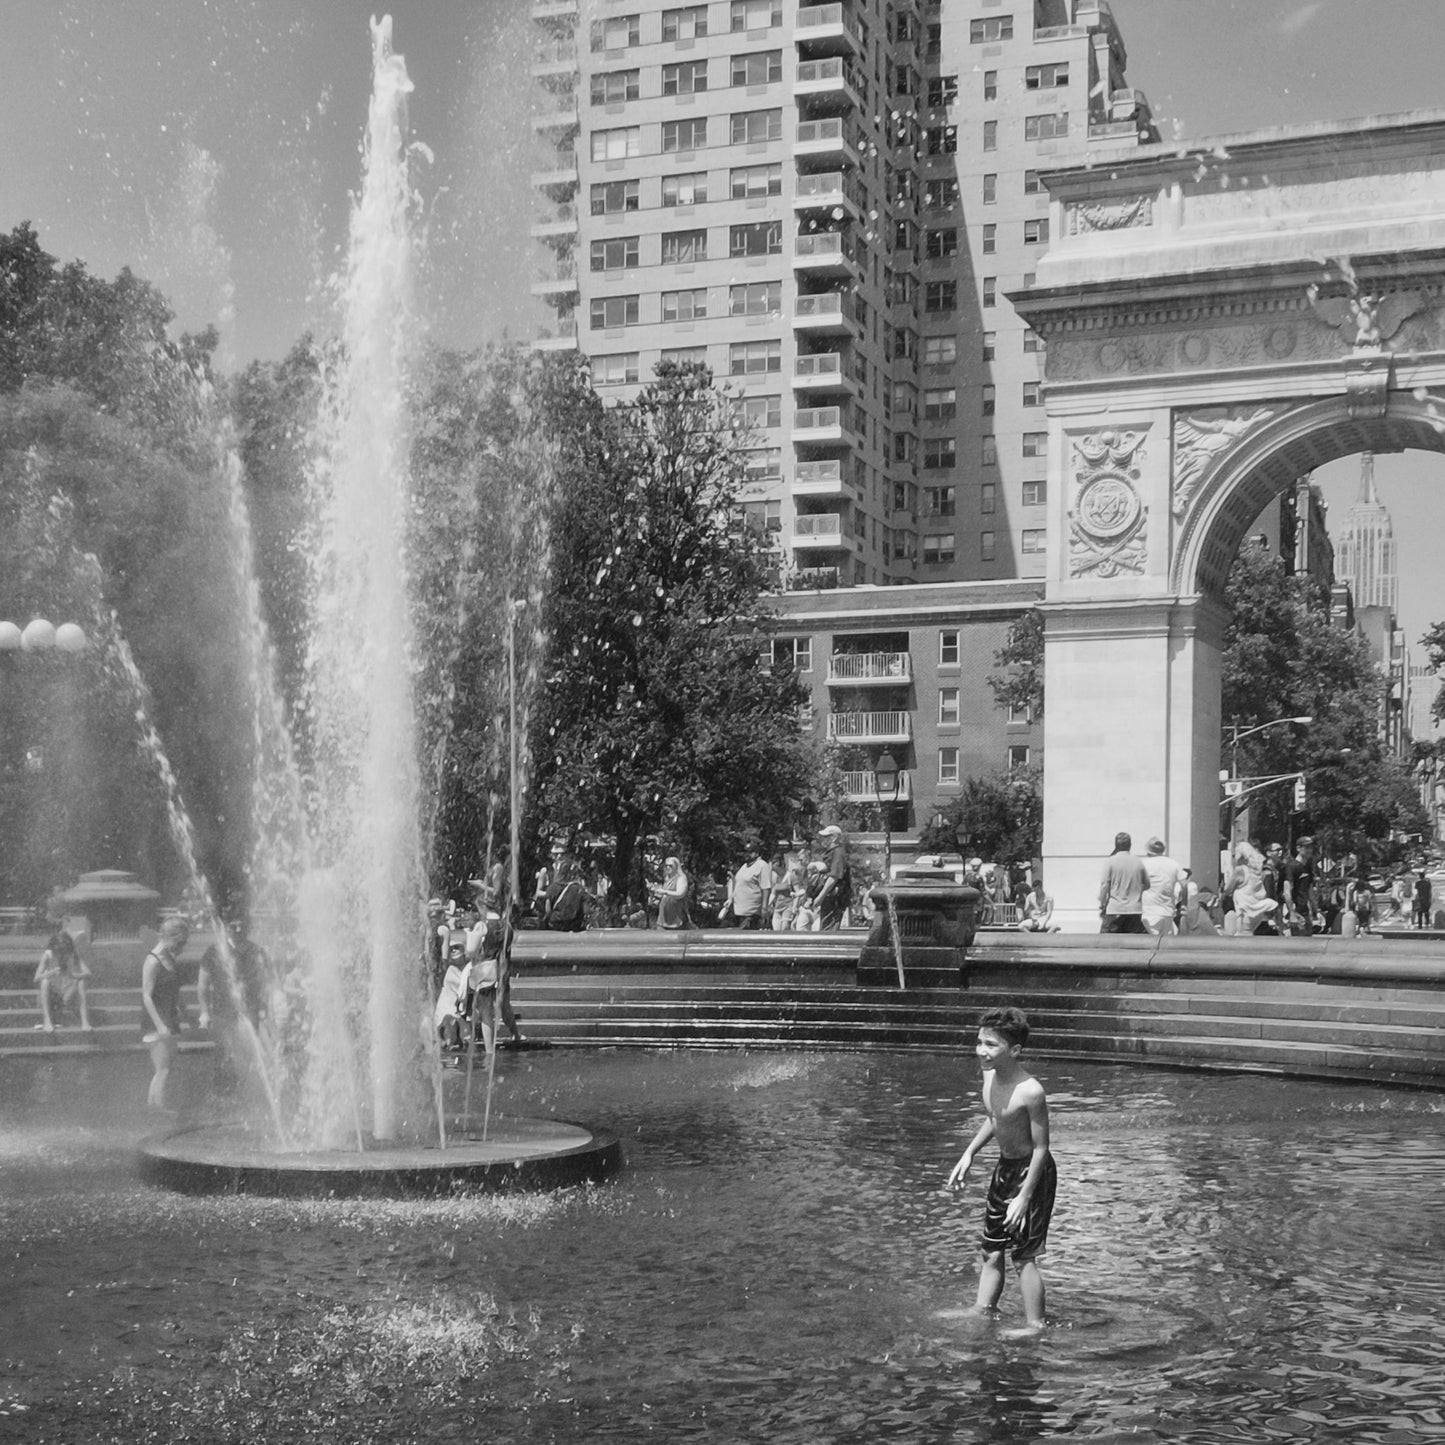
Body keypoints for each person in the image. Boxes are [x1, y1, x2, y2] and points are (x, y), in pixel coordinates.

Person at [946, 1007, 1056, 1331]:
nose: (982, 1050)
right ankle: (982, 1308)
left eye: (992, 1045)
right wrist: (969, 1153)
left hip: (1033, 1173)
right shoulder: (989, 1076)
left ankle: (1035, 1325)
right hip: (1004, 1168)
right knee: (991, 1250)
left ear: (1015, 1050)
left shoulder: (1031, 1091)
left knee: (1023, 1256)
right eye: (980, 1042)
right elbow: (996, 1118)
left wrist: (1024, 1196)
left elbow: (1041, 1148)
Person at [140, 917, 190, 1109]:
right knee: (163, 1069)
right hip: (156, 1022)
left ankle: (154, 1108)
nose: (182, 947)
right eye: (180, 942)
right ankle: (158, 1109)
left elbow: (175, 992)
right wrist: (160, 1025)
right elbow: (146, 996)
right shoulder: (152, 961)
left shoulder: (170, 959)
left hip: (170, 1019)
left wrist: (186, 1013)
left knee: (165, 1069)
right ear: (170, 938)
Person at [34, 929, 92, 1033]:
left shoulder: (73, 954)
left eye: (64, 951)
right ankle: (47, 1021)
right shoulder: (47, 955)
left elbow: (88, 973)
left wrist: (75, 975)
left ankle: (85, 1021)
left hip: (67, 992)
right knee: (44, 982)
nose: (61, 954)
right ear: (54, 948)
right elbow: (36, 978)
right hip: (53, 994)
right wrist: (50, 973)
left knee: (81, 982)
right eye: (59, 951)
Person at [1098, 832, 1148, 934]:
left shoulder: (1110, 861)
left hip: (1115, 909)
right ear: (1130, 845)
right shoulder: (1138, 861)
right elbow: (1147, 885)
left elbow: (1104, 885)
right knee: (1132, 944)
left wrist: (1102, 902)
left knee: (1106, 944)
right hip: (1135, 910)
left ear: (1116, 845)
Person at [1227, 842, 1279, 936]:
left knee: (1242, 938)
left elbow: (1228, 889)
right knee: (1250, 934)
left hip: (1244, 912)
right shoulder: (1256, 871)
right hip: (1257, 911)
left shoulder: (1240, 870)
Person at [1141, 837, 1183, 936]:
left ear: (1148, 851)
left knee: (1151, 945)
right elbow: (1184, 885)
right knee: (1165, 946)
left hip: (1149, 911)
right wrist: (1183, 904)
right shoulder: (1174, 864)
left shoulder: (1144, 864)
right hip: (1168, 912)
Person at [814, 824, 852, 930]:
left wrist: (820, 897)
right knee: (826, 926)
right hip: (830, 897)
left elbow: (834, 877)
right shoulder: (832, 852)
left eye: (826, 837)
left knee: (829, 928)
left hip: (834, 897)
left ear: (834, 837)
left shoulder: (838, 852)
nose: (823, 840)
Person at [730, 843, 775, 931]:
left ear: (756, 853)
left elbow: (766, 888)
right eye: (745, 852)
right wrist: (731, 899)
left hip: (751, 912)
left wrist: (764, 908)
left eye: (749, 852)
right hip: (739, 911)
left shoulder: (762, 865)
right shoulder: (744, 866)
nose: (746, 855)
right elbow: (739, 884)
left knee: (745, 939)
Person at [1282, 836, 1318, 936]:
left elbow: (1309, 890)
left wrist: (1316, 910)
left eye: (1311, 848)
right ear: (1298, 849)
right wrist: (1292, 913)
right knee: (1299, 942)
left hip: (1306, 911)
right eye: (1306, 848)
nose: (1309, 850)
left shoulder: (1308, 867)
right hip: (1296, 911)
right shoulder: (1291, 866)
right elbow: (1287, 892)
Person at [543, 858, 587, 932]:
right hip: (574, 926)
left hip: (556, 925)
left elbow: (548, 910)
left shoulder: (552, 887)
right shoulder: (579, 889)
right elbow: (585, 910)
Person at [649, 856, 692, 930]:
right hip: (663, 920)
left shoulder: (681, 878)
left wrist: (665, 891)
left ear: (676, 866)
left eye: (670, 866)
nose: (668, 867)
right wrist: (653, 890)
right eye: (666, 865)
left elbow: (680, 894)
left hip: (677, 919)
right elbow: (663, 897)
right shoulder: (667, 879)